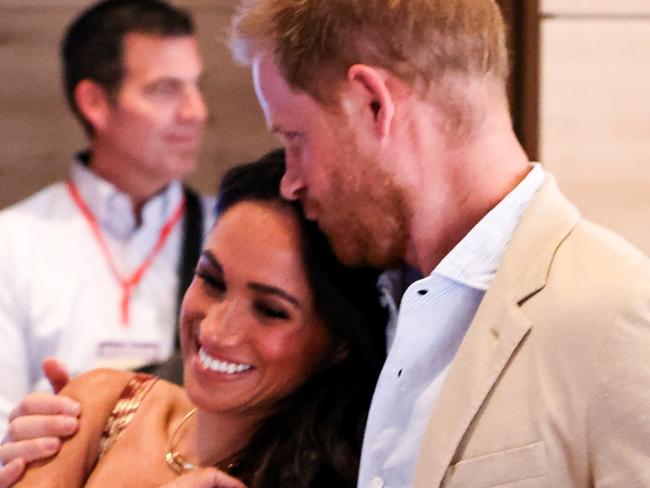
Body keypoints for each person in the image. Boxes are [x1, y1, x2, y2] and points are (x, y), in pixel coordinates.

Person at [5, 0, 650, 486]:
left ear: (374, 104)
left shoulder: (617, 315)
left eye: (294, 137)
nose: (290, 178)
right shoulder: (390, 296)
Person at [13, 150, 387, 487]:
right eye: (211, 281)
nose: (215, 329)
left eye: (270, 311)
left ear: (339, 341)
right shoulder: (106, 404)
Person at [0, 0, 212, 437]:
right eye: (165, 89)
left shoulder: (227, 231)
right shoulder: (12, 243)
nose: (196, 112)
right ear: (95, 102)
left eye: (196, 86)